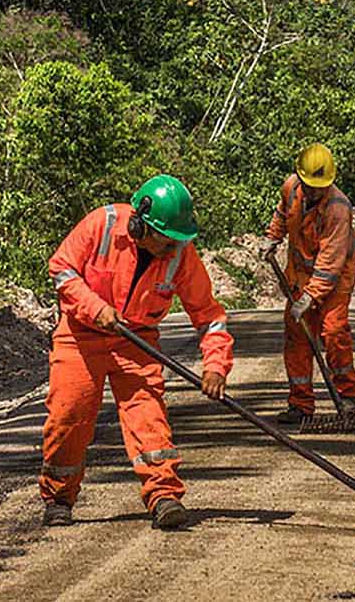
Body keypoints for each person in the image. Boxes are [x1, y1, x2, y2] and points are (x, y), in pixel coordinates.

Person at [42, 174, 233, 530]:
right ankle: (58, 497)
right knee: (68, 417)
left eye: (178, 242)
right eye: (166, 242)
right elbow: (62, 269)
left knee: (148, 418)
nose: (172, 250)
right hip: (80, 336)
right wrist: (95, 308)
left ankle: (163, 496)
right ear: (139, 224)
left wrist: (215, 366)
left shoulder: (181, 254)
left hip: (136, 341)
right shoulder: (102, 224)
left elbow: (209, 316)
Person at [261, 143, 355, 424]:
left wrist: (310, 298)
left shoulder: (338, 209)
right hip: (300, 273)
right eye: (311, 186)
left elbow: (330, 263)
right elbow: (282, 215)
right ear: (300, 177)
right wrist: (273, 237)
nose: (315, 192)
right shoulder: (291, 188)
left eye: (321, 187)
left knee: (333, 332)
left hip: (336, 276)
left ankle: (347, 397)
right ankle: (301, 404)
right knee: (297, 335)